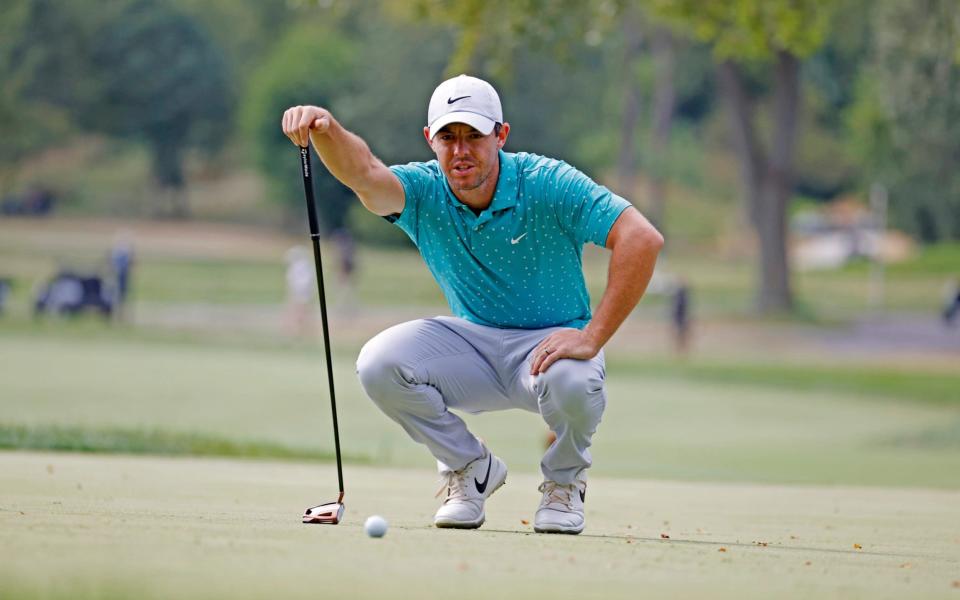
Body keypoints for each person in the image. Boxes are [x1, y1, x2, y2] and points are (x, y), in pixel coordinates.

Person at [281, 75, 663, 534]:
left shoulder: (547, 181)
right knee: (378, 363)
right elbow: (363, 173)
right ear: (431, 141)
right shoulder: (422, 192)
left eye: (473, 136)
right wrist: (326, 129)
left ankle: (563, 484)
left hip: (550, 347)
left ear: (500, 135)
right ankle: (470, 467)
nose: (460, 150)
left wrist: (593, 336)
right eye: (448, 137)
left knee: (575, 381)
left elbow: (641, 238)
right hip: (472, 347)